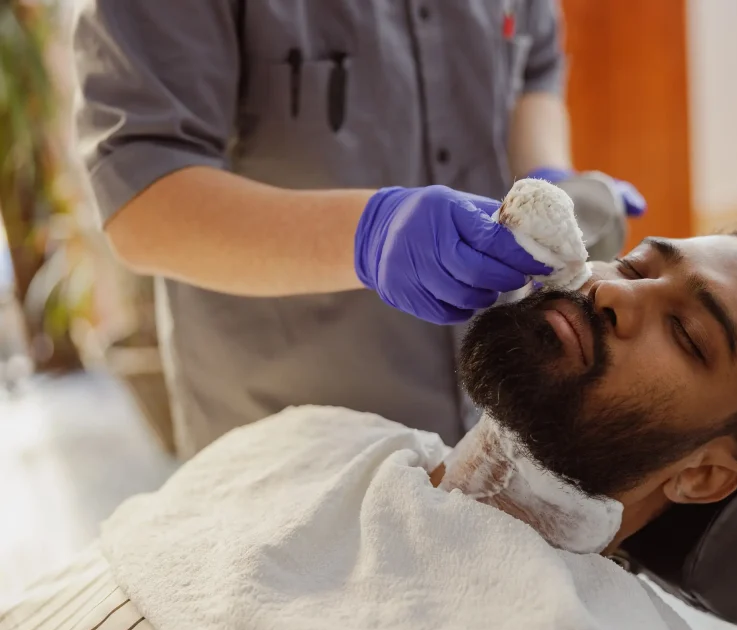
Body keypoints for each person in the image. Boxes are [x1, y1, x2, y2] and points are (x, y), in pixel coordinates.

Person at [0, 210, 737, 630]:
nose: (612, 297)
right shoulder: (302, 439)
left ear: (705, 473)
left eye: (690, 333)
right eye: (634, 266)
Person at [73, 0, 647, 457]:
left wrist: (546, 174)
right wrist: (368, 234)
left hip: (487, 434)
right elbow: (141, 201)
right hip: (292, 452)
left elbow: (534, 65)